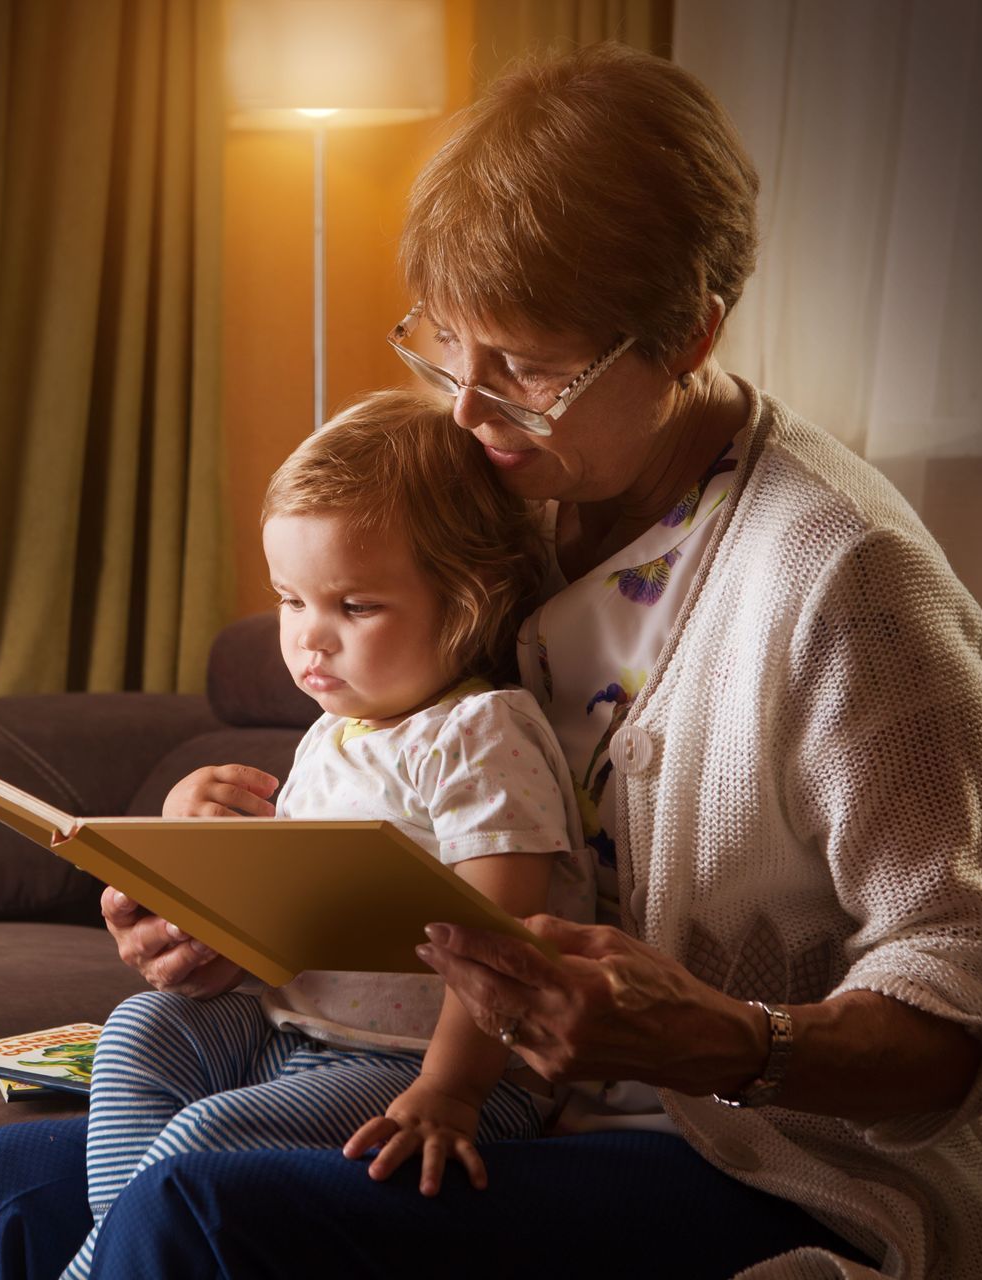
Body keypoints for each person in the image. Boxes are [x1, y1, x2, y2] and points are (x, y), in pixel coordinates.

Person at [0, 42, 982, 1280]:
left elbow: (972, 1003)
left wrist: (727, 1038)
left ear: (688, 334)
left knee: (202, 1211)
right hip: (473, 1090)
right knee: (1, 1186)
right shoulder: (495, 503)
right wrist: (229, 909)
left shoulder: (845, 576)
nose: (467, 407)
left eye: (530, 367)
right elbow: (403, 799)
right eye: (445, 344)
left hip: (767, 1156)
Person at [56, 389, 592, 1279]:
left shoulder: (478, 733)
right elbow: (289, 902)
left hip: (438, 1070)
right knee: (138, 1030)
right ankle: (119, 1257)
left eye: (355, 607)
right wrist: (193, 841)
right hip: (291, 1035)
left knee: (204, 1136)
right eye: (289, 600)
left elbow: (505, 943)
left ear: (465, 601)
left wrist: (450, 1094)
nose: (311, 640)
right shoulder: (329, 733)